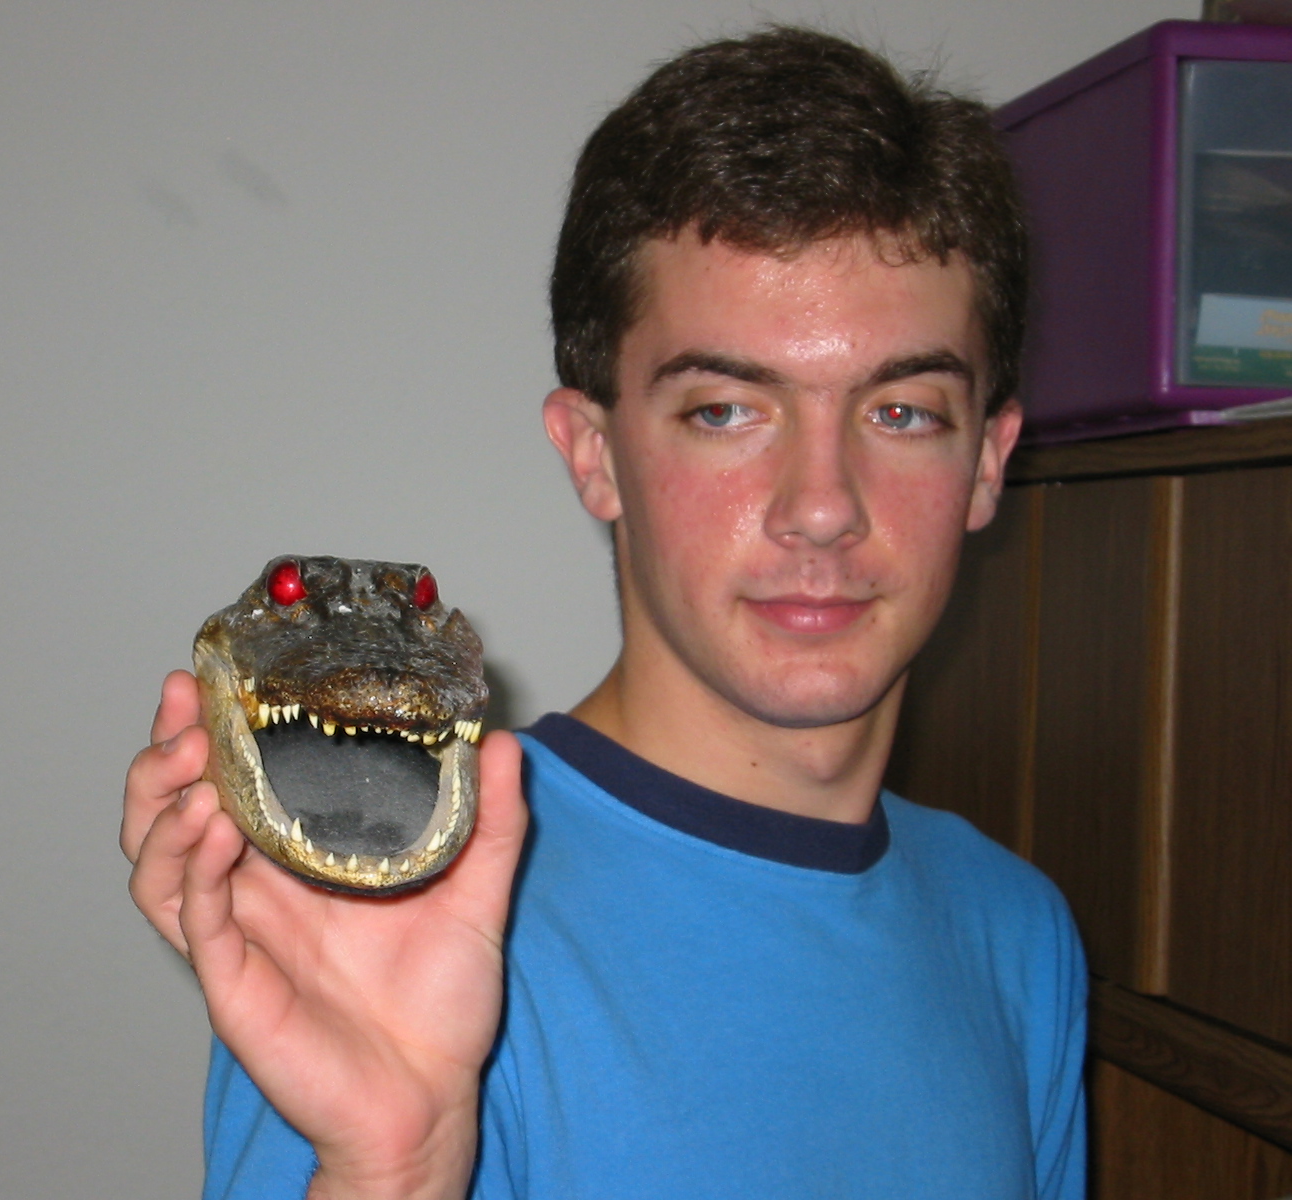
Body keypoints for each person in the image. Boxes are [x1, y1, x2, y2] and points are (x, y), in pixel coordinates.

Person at [122, 25, 1086, 1200]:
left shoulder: (1016, 932)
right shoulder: (394, 913)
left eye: (902, 413)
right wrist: (392, 1166)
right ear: (593, 453)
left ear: (987, 462)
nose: (822, 508)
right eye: (725, 410)